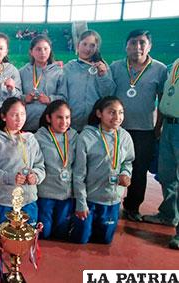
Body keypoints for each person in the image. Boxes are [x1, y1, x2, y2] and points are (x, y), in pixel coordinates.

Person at [110, 29, 168, 222]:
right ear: (126, 46)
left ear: (149, 46)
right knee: (111, 167)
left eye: (142, 43)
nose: (138, 47)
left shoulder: (160, 69)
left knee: (139, 170)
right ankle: (108, 204)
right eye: (133, 43)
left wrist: (157, 127)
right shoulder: (116, 67)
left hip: (144, 130)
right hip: (117, 129)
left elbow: (162, 99)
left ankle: (132, 207)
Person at [71, 96, 134, 244]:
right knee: (81, 239)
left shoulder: (125, 137)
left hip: (112, 201)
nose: (117, 117)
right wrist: (81, 202)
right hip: (90, 200)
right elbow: (79, 173)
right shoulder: (86, 137)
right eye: (112, 112)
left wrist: (125, 174)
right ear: (99, 114)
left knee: (105, 240)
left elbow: (128, 162)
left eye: (121, 112)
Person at [0, 97, 45, 227]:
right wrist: (11, 178)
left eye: (22, 114)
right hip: (5, 201)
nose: (19, 118)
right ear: (3, 116)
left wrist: (36, 176)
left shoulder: (31, 139)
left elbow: (40, 166)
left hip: (29, 200)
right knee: (5, 241)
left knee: (27, 240)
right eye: (14, 115)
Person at [142, 58, 179, 248]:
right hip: (169, 126)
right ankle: (168, 215)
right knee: (167, 175)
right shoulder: (174, 66)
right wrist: (159, 125)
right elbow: (166, 96)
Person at [34, 100, 77, 239]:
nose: (64, 121)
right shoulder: (38, 138)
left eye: (67, 117)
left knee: (61, 234)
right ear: (48, 118)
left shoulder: (75, 137)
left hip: (66, 195)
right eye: (59, 117)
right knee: (44, 234)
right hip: (45, 194)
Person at [62, 30, 115, 132]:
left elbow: (108, 94)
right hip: (70, 123)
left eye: (92, 45)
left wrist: (103, 75)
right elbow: (63, 95)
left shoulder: (103, 67)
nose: (87, 49)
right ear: (78, 45)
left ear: (97, 48)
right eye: (84, 44)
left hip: (94, 123)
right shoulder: (68, 68)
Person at [19, 35, 64, 132]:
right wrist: (24, 98)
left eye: (46, 49)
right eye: (38, 49)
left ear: (50, 50)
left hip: (50, 124)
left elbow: (64, 97)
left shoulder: (59, 72)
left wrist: (49, 99)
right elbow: (15, 95)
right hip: (26, 123)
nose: (42, 52)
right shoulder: (22, 72)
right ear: (31, 52)